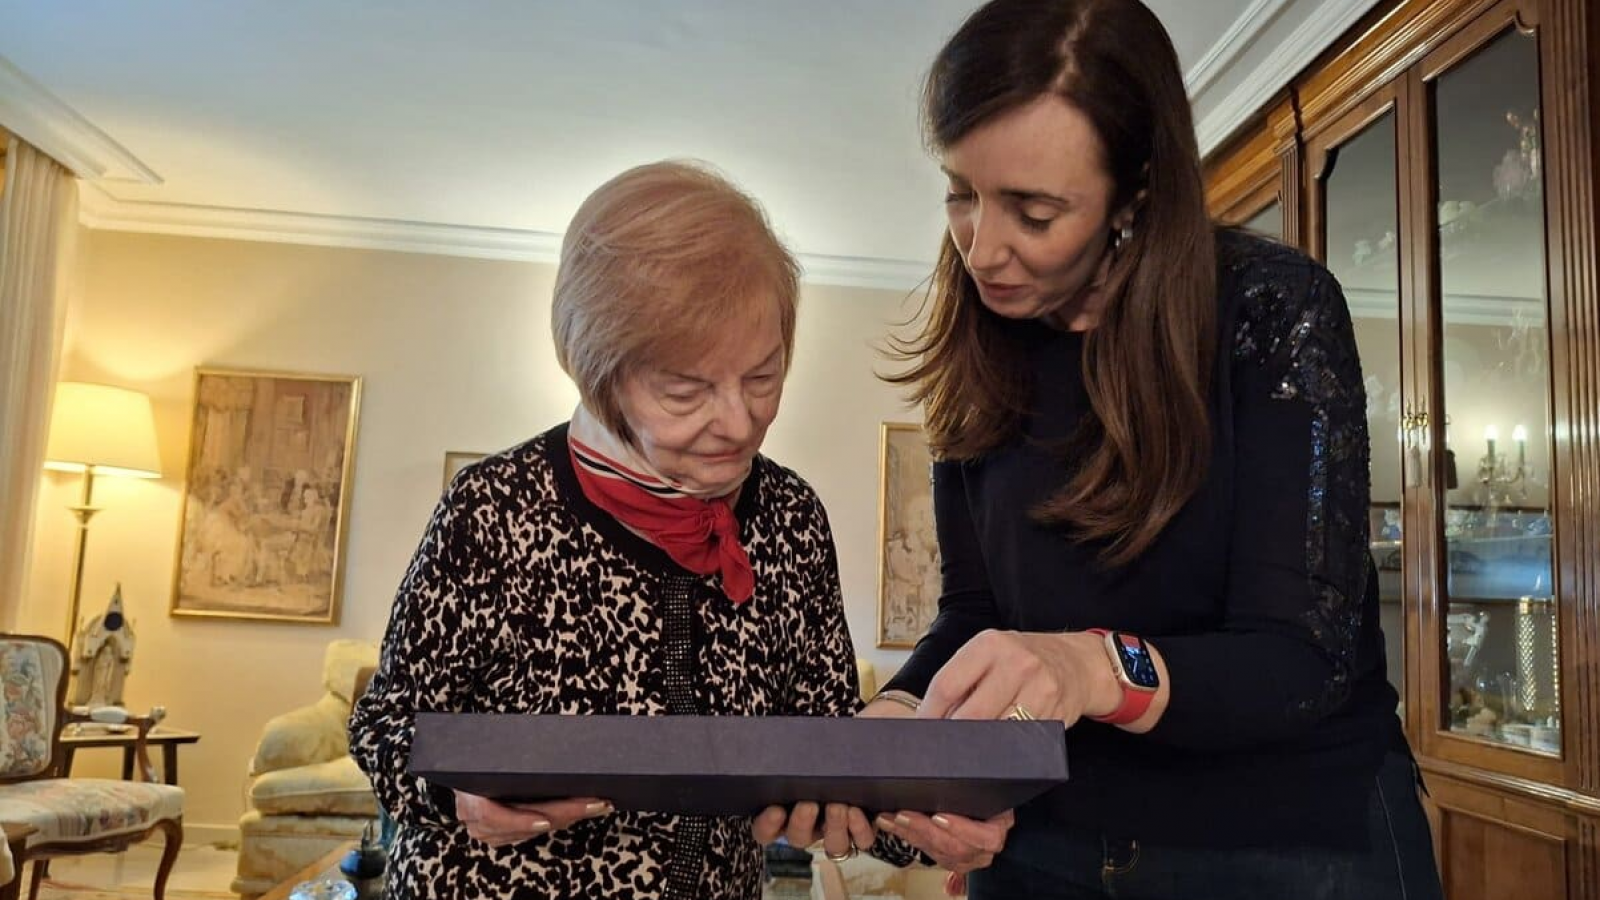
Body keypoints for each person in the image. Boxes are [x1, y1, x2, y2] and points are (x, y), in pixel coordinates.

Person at [849, 1, 1446, 897]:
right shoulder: (980, 343)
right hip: (1047, 840)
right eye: (961, 192)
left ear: (1134, 196)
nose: (982, 249)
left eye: (1034, 211)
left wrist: (1088, 666)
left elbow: (1299, 661)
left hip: (1287, 846)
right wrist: (902, 717)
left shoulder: (1271, 310)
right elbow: (975, 612)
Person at [349, 160, 886, 899]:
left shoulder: (791, 517)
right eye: (687, 390)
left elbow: (829, 739)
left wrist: (913, 807)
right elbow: (384, 725)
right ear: (600, 374)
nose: (741, 422)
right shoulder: (493, 508)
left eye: (763, 377)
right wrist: (453, 793)